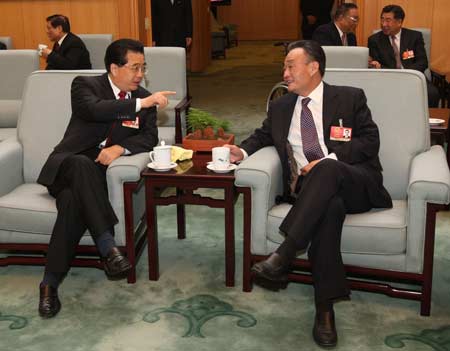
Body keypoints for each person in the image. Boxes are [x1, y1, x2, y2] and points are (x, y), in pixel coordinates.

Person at [226, 40, 392, 348]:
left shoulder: (349, 97)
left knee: (326, 168)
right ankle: (324, 310)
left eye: (290, 65)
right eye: (284, 67)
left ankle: (285, 253)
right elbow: (263, 135)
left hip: (355, 182)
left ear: (313, 67)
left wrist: (328, 160)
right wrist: (242, 151)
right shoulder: (280, 106)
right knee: (329, 209)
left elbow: (370, 142)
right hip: (311, 195)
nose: (284, 72)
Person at [36, 38, 176, 318]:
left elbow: (150, 137)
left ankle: (49, 284)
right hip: (65, 167)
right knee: (80, 163)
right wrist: (141, 103)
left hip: (93, 181)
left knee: (72, 205)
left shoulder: (142, 97)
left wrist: (120, 148)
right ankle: (107, 246)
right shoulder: (85, 85)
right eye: (134, 68)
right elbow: (94, 110)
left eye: (143, 68)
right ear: (114, 67)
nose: (140, 75)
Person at [368, 4, 439, 107]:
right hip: (388, 79)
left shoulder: (415, 37)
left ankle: (427, 121)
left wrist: (406, 74)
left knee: (432, 93)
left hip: (413, 77)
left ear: (399, 22)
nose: (383, 24)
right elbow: (377, 65)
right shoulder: (374, 40)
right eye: (382, 19)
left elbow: (422, 62)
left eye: (388, 20)